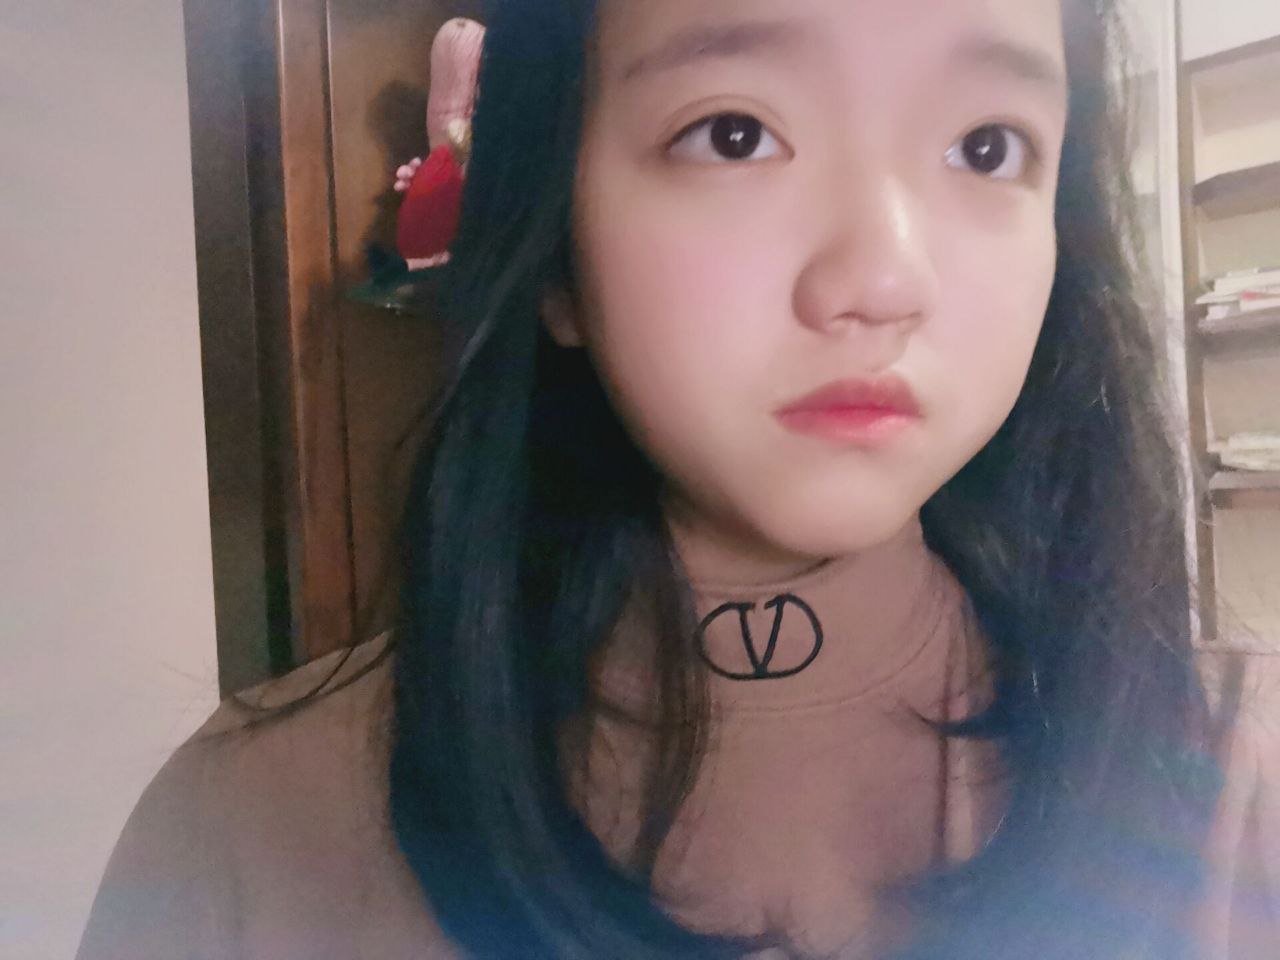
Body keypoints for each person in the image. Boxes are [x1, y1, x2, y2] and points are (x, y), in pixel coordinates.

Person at [76, 0, 1280, 958]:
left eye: (985, 147)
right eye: (733, 134)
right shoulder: (250, 832)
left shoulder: (1239, 779)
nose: (880, 278)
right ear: (553, 244)